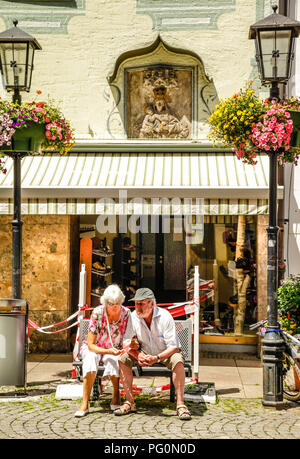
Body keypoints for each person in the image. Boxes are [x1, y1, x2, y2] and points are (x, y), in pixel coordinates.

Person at [115, 288, 192, 421]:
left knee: (178, 360)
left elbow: (174, 346)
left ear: (152, 304)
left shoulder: (165, 316)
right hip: (143, 352)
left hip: (165, 352)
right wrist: (137, 354)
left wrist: (156, 358)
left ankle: (180, 405)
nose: (137, 307)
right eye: (136, 303)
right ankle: (130, 402)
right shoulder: (133, 317)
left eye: (141, 304)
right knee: (123, 359)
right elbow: (126, 342)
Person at [74, 284, 133, 417]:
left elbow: (128, 337)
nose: (115, 306)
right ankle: (85, 402)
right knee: (90, 359)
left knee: (113, 360)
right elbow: (91, 345)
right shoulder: (98, 313)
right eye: (111, 304)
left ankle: (116, 394)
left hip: (116, 349)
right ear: (105, 303)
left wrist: (123, 348)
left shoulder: (126, 314)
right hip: (96, 347)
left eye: (117, 303)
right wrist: (107, 351)